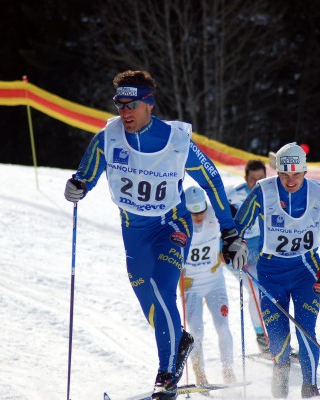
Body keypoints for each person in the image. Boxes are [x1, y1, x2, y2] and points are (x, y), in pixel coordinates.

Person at [63, 70, 248, 400]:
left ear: (149, 103)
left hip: (170, 225)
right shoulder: (109, 137)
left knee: (164, 289)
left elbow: (212, 181)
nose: (125, 113)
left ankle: (166, 378)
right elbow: (85, 176)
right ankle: (180, 342)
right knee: (148, 301)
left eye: (132, 105)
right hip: (133, 233)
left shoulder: (177, 140)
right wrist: (76, 187)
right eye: (120, 105)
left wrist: (230, 231)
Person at [233, 143, 320, 398]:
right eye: (284, 175)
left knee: (307, 330)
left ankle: (310, 389)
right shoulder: (262, 192)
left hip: (305, 273)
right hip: (270, 275)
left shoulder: (318, 194)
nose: (290, 181)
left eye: (296, 174)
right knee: (279, 346)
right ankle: (280, 391)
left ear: (305, 171)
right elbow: (235, 230)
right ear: (276, 172)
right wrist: (236, 246)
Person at [181, 186, 236, 386]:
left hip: (214, 281)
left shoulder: (214, 214)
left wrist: (228, 247)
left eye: (201, 211)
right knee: (196, 332)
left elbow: (234, 214)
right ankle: (199, 375)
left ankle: (229, 371)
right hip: (191, 286)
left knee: (222, 326)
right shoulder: (179, 222)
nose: (198, 217)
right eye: (193, 213)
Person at [226, 159, 269, 354]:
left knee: (266, 290)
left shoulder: (270, 193)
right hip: (238, 250)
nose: (257, 183)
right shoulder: (233, 194)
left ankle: (270, 335)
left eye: (261, 178)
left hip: (258, 249)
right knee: (255, 290)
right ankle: (263, 339)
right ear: (245, 178)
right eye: (253, 179)